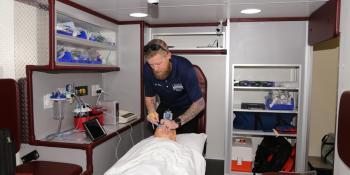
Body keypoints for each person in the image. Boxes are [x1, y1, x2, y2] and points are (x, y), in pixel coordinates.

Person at [143, 39, 205, 134]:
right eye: (151, 65)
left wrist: (177, 122)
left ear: (168, 55)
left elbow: (200, 103)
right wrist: (151, 111)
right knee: (159, 139)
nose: (155, 69)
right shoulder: (147, 69)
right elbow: (149, 96)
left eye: (158, 64)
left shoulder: (184, 67)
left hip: (186, 109)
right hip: (165, 106)